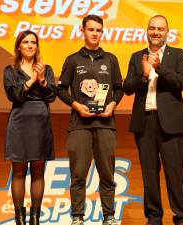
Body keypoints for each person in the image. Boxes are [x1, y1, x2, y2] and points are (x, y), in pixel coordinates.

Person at [122, 15, 183, 225]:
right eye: (152, 28)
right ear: (147, 30)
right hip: (145, 123)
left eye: (160, 29)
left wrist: (160, 68)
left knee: (175, 172)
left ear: (167, 33)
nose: (155, 32)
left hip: (171, 124)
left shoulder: (179, 55)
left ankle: (181, 216)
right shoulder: (137, 57)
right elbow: (127, 89)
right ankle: (154, 216)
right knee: (149, 173)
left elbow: (182, 82)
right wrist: (143, 75)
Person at [57, 14, 123, 225]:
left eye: (98, 30)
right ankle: (77, 217)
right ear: (82, 31)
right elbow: (61, 89)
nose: (95, 33)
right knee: (78, 174)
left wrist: (113, 105)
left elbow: (119, 89)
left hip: (106, 124)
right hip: (79, 125)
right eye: (91, 29)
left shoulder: (111, 59)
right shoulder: (72, 60)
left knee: (107, 174)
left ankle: (109, 216)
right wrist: (76, 105)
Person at [3, 30, 57, 225]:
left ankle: (35, 218)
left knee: (38, 171)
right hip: (19, 122)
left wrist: (42, 79)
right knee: (18, 172)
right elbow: (14, 96)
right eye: (25, 42)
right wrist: (31, 81)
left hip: (40, 123)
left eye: (33, 42)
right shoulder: (10, 70)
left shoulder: (47, 69)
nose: (30, 45)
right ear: (19, 46)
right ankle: (19, 218)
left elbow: (52, 96)